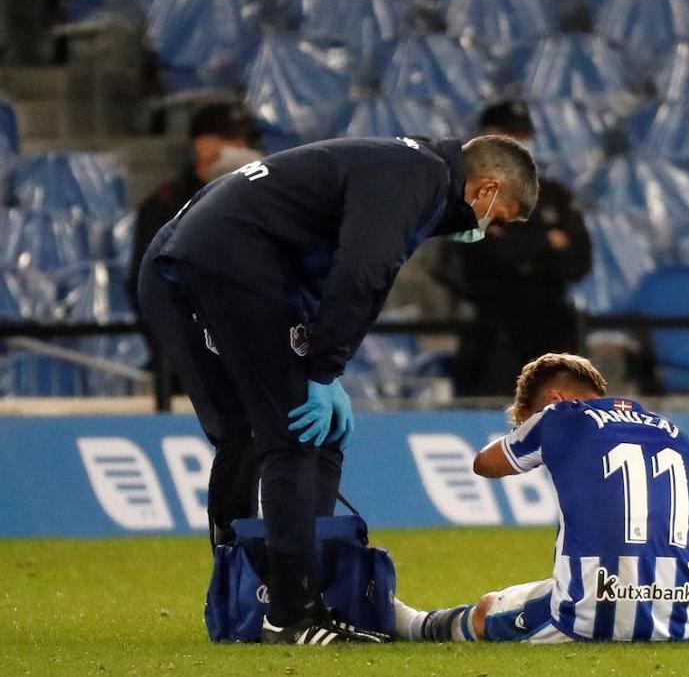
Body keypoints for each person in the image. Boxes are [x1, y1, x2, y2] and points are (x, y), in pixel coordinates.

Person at [136, 134, 538, 645]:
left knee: (245, 438)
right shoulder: (418, 180)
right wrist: (323, 372)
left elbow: (315, 265)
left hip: (181, 261)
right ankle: (293, 613)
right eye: (499, 217)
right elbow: (362, 272)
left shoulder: (402, 164)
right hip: (228, 262)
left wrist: (326, 368)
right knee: (300, 435)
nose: (491, 230)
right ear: (486, 188)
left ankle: (243, 597)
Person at [393, 353, 689, 644]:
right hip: (684, 617)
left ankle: (415, 624)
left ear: (554, 398)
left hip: (592, 612)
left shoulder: (559, 416)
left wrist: (537, 427)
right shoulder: (673, 431)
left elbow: (484, 463)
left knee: (488, 610)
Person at [445, 101, 593, 396]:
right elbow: (484, 255)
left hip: (551, 330)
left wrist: (516, 246)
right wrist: (547, 242)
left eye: (523, 135)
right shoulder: (467, 196)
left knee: (558, 415)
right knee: (492, 416)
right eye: (507, 135)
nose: (519, 143)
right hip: (493, 333)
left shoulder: (555, 195)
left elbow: (579, 261)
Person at [126, 103, 258, 306]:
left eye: (243, 140)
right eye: (228, 140)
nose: (239, 147)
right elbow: (148, 282)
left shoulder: (258, 198)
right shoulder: (168, 202)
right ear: (201, 145)